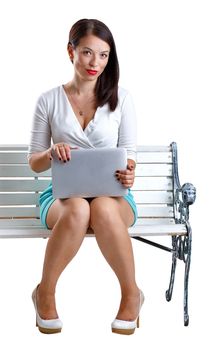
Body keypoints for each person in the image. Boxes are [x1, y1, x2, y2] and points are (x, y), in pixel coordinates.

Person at [28, 18, 144, 335]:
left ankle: (132, 294)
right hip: (63, 198)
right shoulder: (49, 100)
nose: (96, 63)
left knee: (103, 207)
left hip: (114, 197)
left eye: (104, 55)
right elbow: (34, 163)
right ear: (71, 52)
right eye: (88, 53)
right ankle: (45, 293)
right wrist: (51, 153)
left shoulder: (122, 98)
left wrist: (130, 172)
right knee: (79, 207)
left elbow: (129, 153)